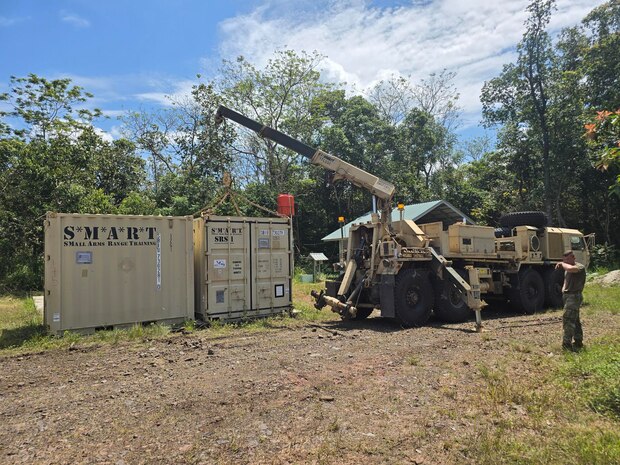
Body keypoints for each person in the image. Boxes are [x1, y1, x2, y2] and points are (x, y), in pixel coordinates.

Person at [555, 250, 586, 351]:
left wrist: (562, 264)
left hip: (574, 296)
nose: (566, 261)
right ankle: (578, 340)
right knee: (575, 320)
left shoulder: (579, 267)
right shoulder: (567, 269)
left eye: (568, 259)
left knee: (568, 320)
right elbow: (566, 278)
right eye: (565, 259)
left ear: (573, 257)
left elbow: (571, 269)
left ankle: (566, 345)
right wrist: (564, 289)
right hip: (568, 295)